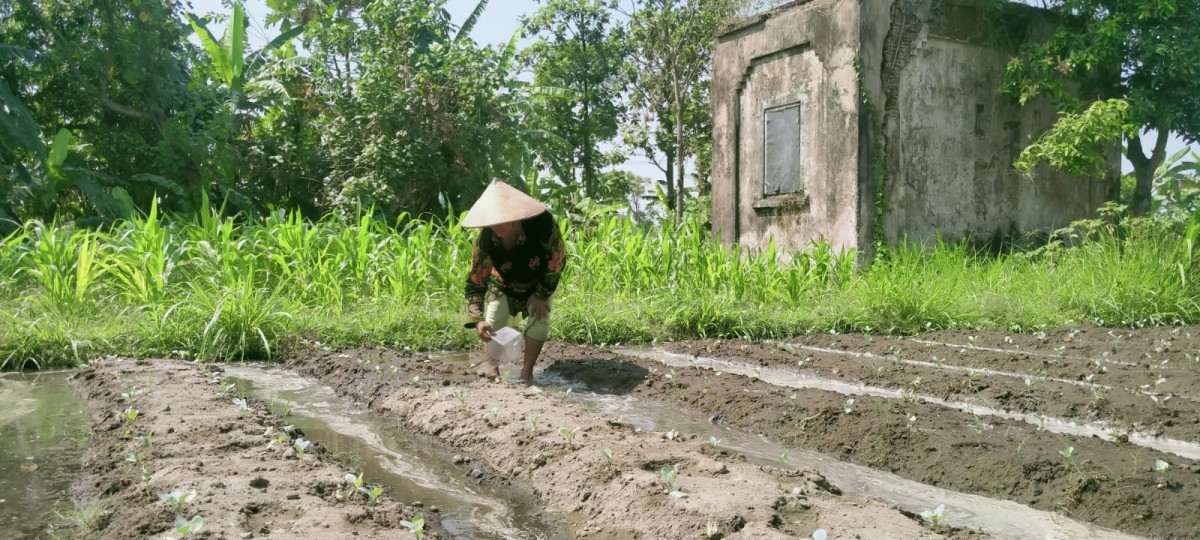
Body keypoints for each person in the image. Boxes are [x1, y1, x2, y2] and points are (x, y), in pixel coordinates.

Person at [462, 179, 565, 384]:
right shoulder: (486, 240)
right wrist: (477, 319)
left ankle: (527, 373)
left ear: (515, 217)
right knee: (493, 320)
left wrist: (541, 294)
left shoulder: (543, 225)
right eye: (491, 221)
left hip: (538, 282)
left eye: (500, 220)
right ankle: (492, 371)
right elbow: (475, 281)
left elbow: (557, 260)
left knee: (539, 321)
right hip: (503, 282)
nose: (494, 226)